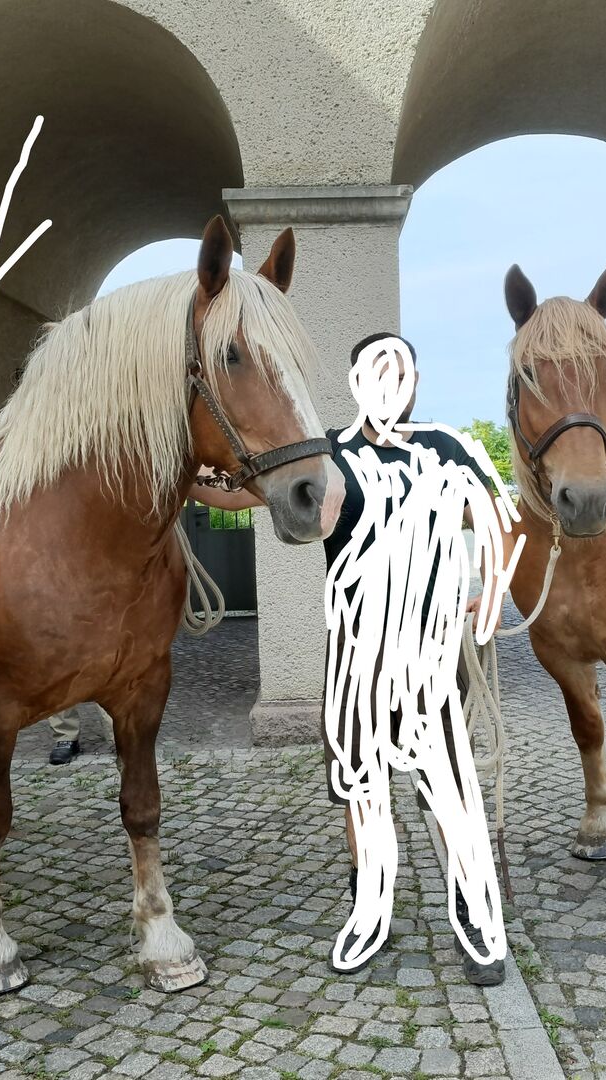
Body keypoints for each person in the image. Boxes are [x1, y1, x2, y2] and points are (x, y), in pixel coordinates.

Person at [204, 332, 521, 986]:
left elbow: (496, 519)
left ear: (415, 381)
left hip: (434, 658)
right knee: (360, 787)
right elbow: (241, 491)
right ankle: (368, 905)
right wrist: (186, 471)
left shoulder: (445, 450)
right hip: (360, 659)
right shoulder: (330, 456)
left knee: (449, 787)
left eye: (401, 373)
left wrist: (489, 589)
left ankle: (473, 914)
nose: (391, 387)